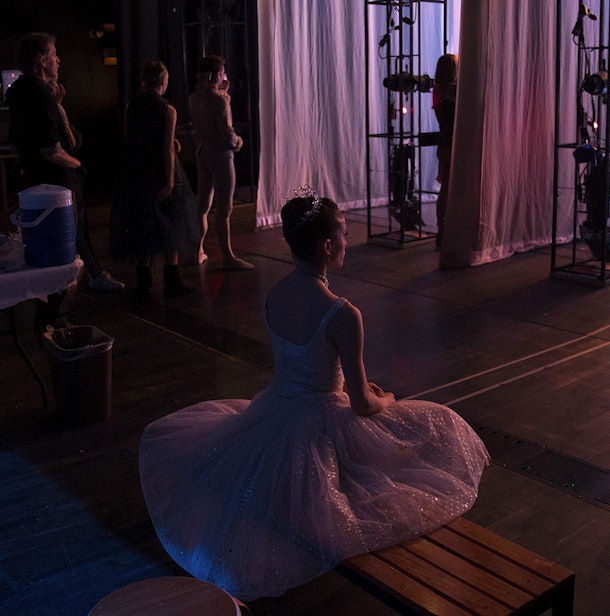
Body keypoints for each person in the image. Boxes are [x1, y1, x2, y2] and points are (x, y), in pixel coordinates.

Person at [138, 189, 489, 600]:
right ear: (326, 246)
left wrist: (346, 384)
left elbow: (311, 366)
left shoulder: (276, 294)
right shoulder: (341, 312)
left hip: (277, 408)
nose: (345, 241)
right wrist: (389, 399)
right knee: (439, 423)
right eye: (342, 234)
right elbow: (361, 404)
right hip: (322, 419)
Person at [5, 32, 124, 328]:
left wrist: (58, 106)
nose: (59, 59)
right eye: (54, 54)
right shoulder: (39, 94)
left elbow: (18, 144)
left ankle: (52, 314)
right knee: (64, 246)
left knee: (54, 245)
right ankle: (54, 320)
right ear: (42, 60)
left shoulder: (20, 92)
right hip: (59, 183)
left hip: (39, 183)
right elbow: (52, 149)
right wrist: (77, 164)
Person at [115, 60, 194, 297]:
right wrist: (170, 181)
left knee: (142, 225)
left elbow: (141, 137)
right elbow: (166, 150)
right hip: (159, 172)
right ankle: (173, 279)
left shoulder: (134, 104)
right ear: (164, 81)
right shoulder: (167, 109)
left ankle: (144, 279)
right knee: (171, 225)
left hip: (137, 171)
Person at [187, 54, 252, 270]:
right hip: (221, 156)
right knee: (224, 209)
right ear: (217, 74)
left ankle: (198, 251)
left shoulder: (194, 98)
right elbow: (227, 133)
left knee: (203, 206)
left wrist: (224, 93)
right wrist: (239, 142)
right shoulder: (219, 101)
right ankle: (228, 257)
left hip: (203, 153)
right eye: (223, 72)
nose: (225, 75)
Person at [432, 53, 458, 249]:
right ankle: (448, 232)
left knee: (445, 190)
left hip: (443, 146)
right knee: (452, 190)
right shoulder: (454, 92)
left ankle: (442, 230)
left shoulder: (438, 90)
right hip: (454, 146)